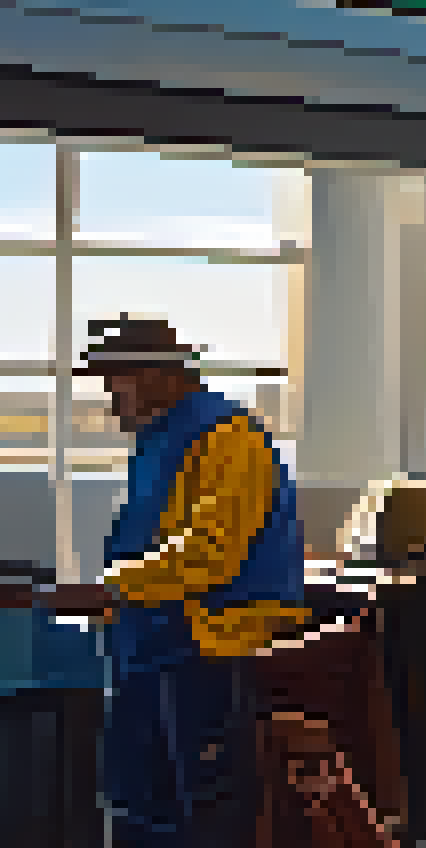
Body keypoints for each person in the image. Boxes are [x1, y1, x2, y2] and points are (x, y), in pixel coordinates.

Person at [32, 318, 309, 846]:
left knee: (200, 812)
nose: (111, 396)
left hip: (209, 651)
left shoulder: (227, 437)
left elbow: (210, 552)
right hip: (153, 647)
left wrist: (109, 590)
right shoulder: (161, 440)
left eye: (117, 380)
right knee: (140, 806)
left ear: (161, 374)